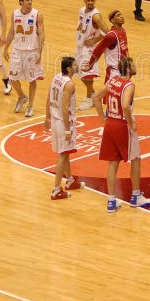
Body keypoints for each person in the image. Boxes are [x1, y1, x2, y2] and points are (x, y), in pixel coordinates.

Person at [93, 57, 150, 212]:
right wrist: (131, 123)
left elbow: (96, 98)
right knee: (136, 158)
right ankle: (136, 196)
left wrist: (102, 118)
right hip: (122, 124)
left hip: (110, 123)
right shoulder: (129, 85)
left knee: (113, 163)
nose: (135, 66)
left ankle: (111, 201)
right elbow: (126, 106)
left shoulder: (112, 81)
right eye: (133, 64)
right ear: (127, 69)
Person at [45, 56, 84, 200]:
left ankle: (70, 180)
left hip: (55, 120)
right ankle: (56, 189)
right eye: (75, 65)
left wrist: (47, 117)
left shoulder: (56, 77)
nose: (77, 66)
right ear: (69, 68)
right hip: (63, 122)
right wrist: (68, 129)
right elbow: (65, 108)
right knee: (62, 155)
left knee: (65, 152)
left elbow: (49, 97)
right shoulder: (69, 85)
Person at [2, 0, 45, 117]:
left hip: (32, 51)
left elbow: (42, 34)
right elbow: (11, 31)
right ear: (21, 2)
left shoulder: (37, 14)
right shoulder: (15, 14)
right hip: (17, 50)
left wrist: (40, 52)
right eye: (27, 0)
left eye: (31, 0)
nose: (30, 2)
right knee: (13, 78)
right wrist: (5, 49)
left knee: (32, 80)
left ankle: (30, 105)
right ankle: (21, 96)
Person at [75, 0, 109, 110]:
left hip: (89, 49)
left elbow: (106, 31)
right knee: (79, 73)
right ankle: (93, 95)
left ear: (95, 1)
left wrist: (95, 40)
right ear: (84, 1)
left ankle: (89, 98)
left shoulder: (96, 16)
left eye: (92, 1)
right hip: (80, 46)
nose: (90, 3)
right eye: (88, 1)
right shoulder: (81, 11)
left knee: (87, 75)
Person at [86, 9, 129, 81]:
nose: (121, 17)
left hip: (124, 70)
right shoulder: (111, 36)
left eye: (121, 15)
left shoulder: (123, 30)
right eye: (118, 16)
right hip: (115, 72)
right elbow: (98, 49)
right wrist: (90, 64)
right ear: (113, 21)